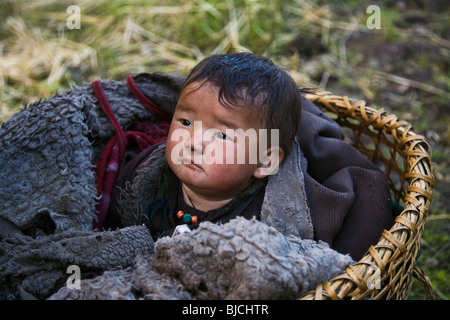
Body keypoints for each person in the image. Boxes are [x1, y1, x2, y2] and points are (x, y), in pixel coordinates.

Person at [106, 52, 394, 260]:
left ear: (265, 161)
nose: (193, 142)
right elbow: (112, 217)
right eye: (186, 122)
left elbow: (365, 201)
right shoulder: (147, 176)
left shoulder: (277, 218)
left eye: (222, 135)